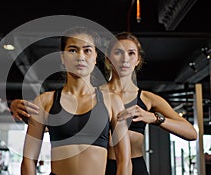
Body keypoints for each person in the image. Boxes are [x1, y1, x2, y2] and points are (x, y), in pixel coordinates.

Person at [14, 31, 197, 174]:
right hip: (101, 166)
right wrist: (16, 107)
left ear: (138, 59)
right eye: (118, 52)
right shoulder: (96, 95)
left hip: (134, 164)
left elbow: (191, 133)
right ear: (107, 59)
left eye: (131, 53)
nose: (125, 58)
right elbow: (62, 125)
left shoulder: (147, 98)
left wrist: (155, 118)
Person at [20, 27, 132, 175]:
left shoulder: (112, 102)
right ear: (62, 57)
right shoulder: (45, 101)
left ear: (95, 56)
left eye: (87, 50)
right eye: (73, 50)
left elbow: (124, 160)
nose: (80, 57)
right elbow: (28, 160)